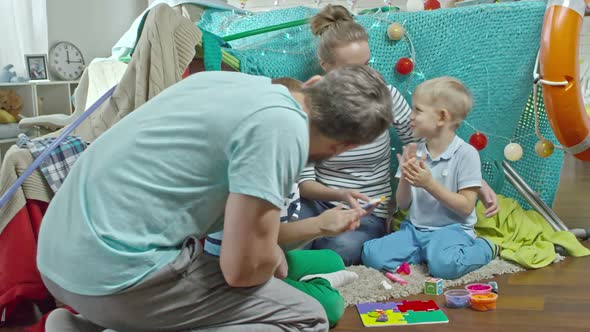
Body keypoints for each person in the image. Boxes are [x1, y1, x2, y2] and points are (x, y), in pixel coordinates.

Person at [37, 65, 393, 332]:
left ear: (315, 84)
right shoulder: (282, 131)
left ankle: (85, 327)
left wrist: (267, 255)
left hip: (59, 257)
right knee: (304, 317)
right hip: (113, 275)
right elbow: (241, 272)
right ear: (344, 147)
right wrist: (268, 262)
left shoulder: (233, 84)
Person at [297, 4, 499, 266]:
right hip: (320, 202)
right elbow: (304, 183)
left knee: (341, 249)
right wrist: (337, 198)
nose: (366, 76)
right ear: (325, 65)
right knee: (282, 231)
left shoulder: (386, 94)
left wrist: (474, 182)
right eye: (351, 70)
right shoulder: (311, 105)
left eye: (367, 64)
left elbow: (422, 143)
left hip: (368, 210)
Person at [362, 77, 500, 280]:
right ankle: (427, 253)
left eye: (417, 110)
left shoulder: (466, 154)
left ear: (442, 117)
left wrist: (429, 184)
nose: (410, 116)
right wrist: (406, 179)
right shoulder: (414, 152)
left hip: (452, 231)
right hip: (415, 230)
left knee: (445, 267)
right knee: (371, 254)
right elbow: (403, 204)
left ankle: (485, 247)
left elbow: (466, 207)